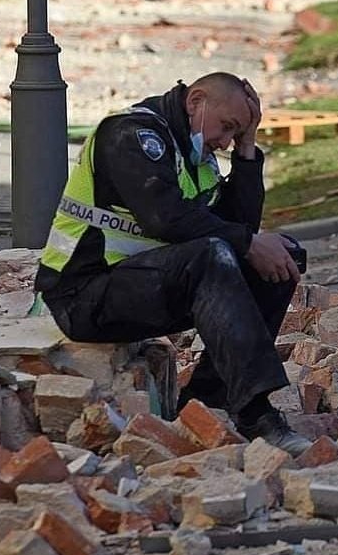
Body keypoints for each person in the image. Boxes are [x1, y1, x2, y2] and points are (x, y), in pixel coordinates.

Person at [36, 73, 313, 456]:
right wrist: (247, 243)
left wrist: (247, 151)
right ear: (196, 101)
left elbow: (240, 229)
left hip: (139, 286)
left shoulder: (196, 156)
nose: (224, 141)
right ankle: (255, 413)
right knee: (212, 254)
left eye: (235, 133)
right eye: (227, 127)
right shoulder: (132, 135)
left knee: (282, 257)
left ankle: (206, 404)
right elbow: (164, 218)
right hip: (81, 294)